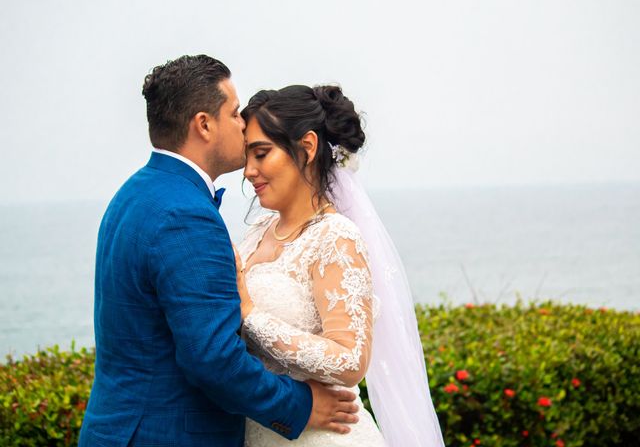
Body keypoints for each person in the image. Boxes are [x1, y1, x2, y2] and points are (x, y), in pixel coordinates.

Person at [78, 55, 359, 447]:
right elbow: (213, 360)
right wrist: (302, 404)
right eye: (233, 113)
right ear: (204, 125)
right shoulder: (185, 215)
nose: (242, 124)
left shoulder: (133, 194)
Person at [237, 85, 446, 446]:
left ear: (307, 147)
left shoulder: (335, 237)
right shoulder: (255, 234)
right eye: (247, 157)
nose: (248, 171)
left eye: (261, 154)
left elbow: (351, 359)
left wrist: (252, 316)